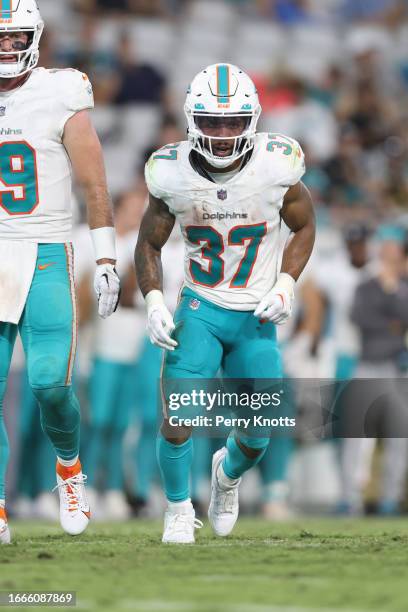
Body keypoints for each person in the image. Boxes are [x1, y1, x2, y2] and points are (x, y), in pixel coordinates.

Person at [135, 63, 315, 544]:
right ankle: (177, 508)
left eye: (233, 121)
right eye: (211, 122)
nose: (221, 133)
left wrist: (286, 284)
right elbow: (149, 242)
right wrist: (153, 299)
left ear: (252, 118)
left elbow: (305, 225)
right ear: (192, 120)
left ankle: (226, 477)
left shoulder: (278, 163)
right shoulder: (169, 171)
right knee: (178, 414)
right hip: (202, 308)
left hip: (256, 313)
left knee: (258, 435)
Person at [0, 0, 120, 544]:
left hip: (47, 248)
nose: (6, 46)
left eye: (14, 37)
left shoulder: (61, 89)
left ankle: (69, 469)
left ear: (34, 37)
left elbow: (94, 183)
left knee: (50, 385)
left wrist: (107, 257)